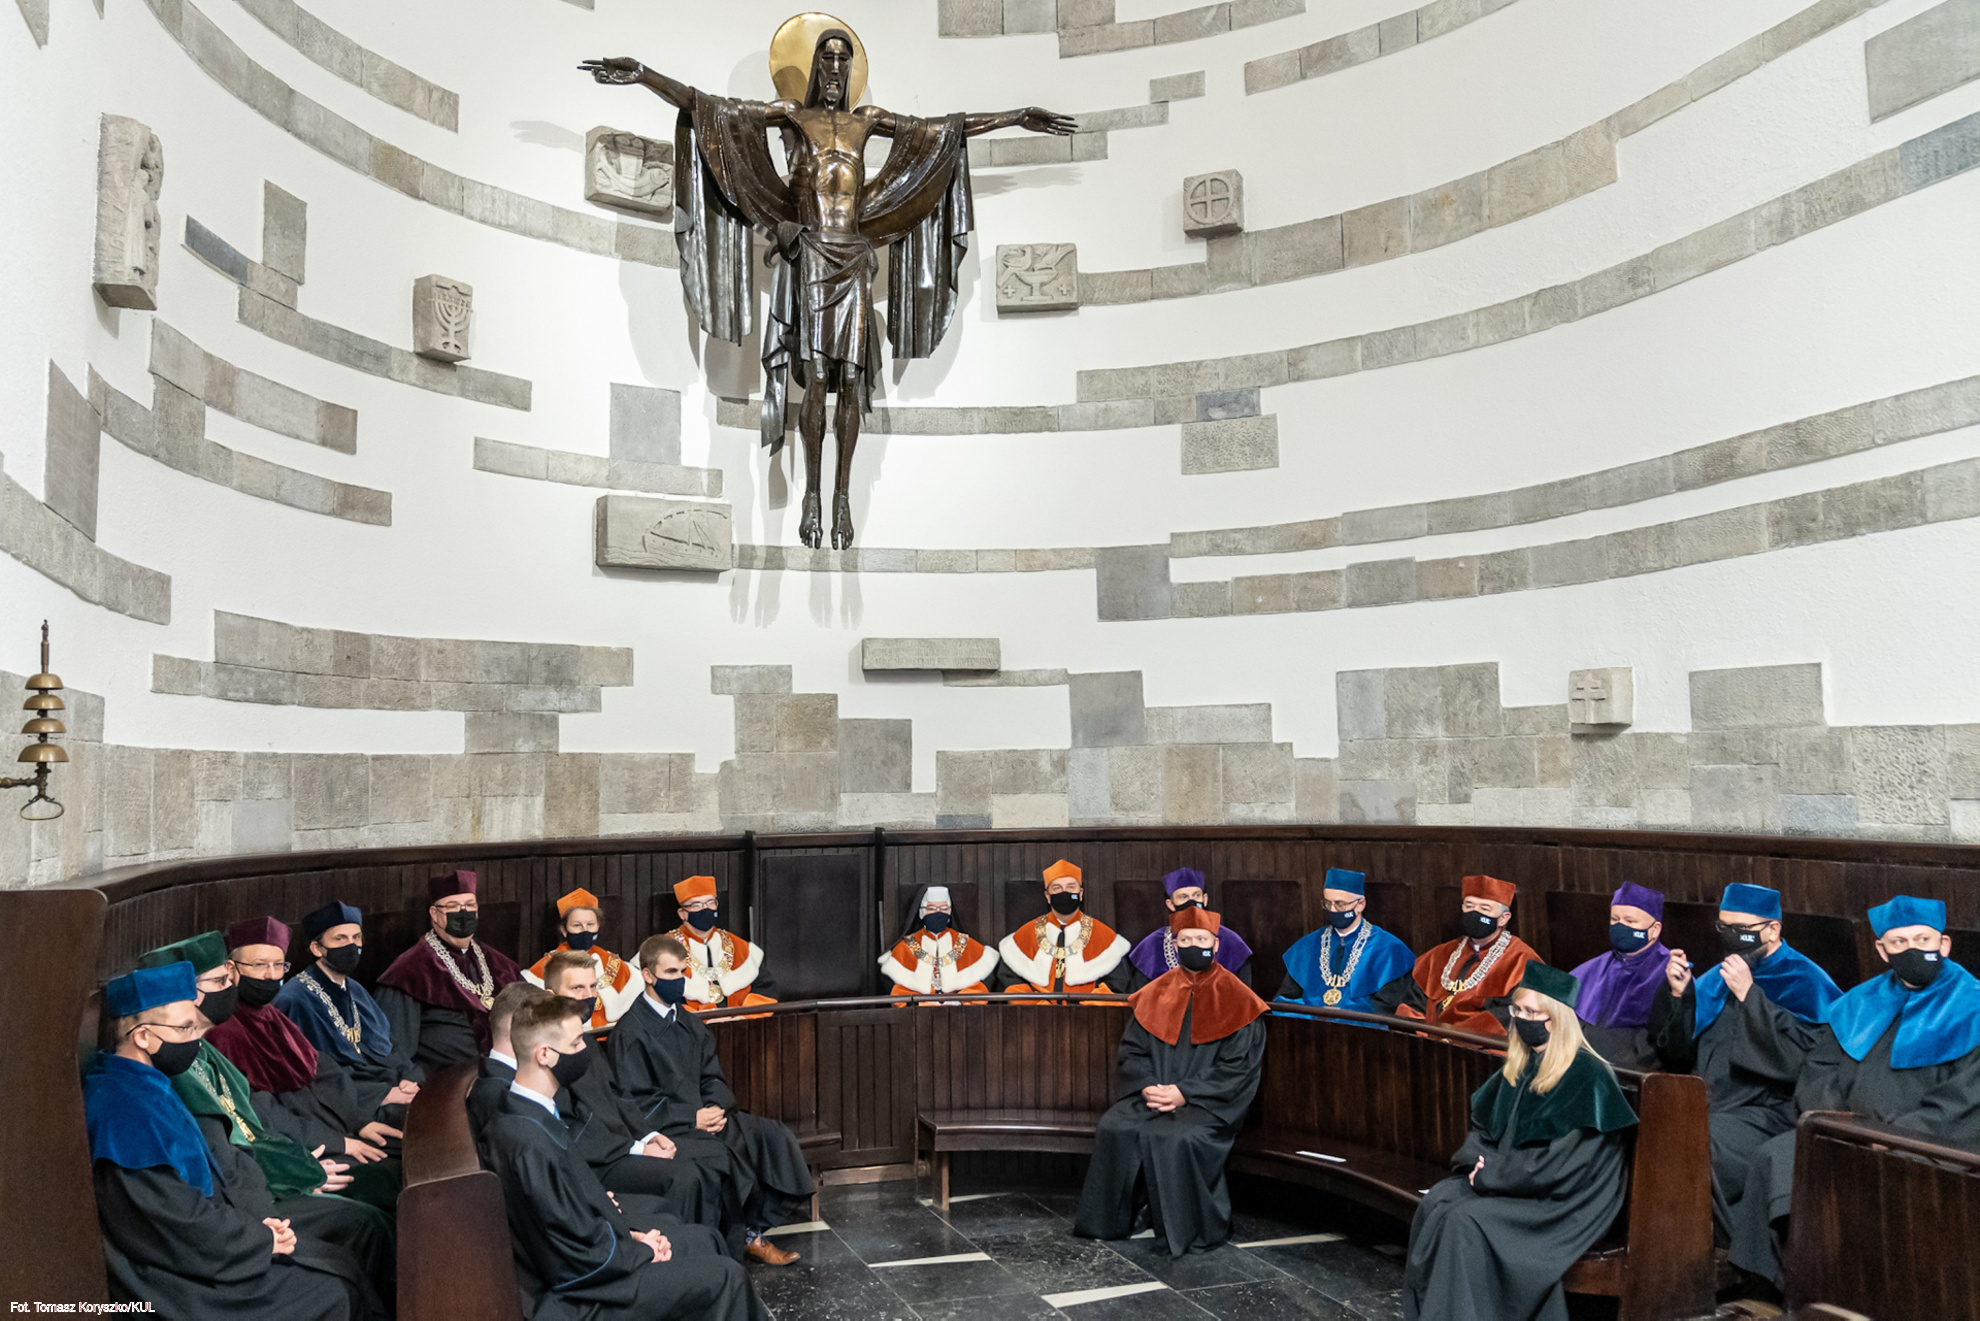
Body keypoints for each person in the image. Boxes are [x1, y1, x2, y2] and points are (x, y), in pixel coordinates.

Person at [85, 961, 366, 1321]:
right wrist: (258, 1239)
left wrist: (257, 1228)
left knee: (340, 1264)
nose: (196, 1038)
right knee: (333, 1292)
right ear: (142, 1036)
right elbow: (173, 1220)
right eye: (185, 1028)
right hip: (171, 1283)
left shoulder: (145, 1082)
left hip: (211, 1241)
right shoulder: (121, 1112)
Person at [1728, 895, 1980, 1289]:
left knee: (1855, 1181)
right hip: (1845, 1133)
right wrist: (1836, 1125)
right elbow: (1818, 1070)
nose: (1913, 949)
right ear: (1882, 949)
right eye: (1899, 942)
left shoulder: (1972, 1006)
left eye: (1923, 940)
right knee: (1775, 1157)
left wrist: (1887, 1139)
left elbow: (1963, 1102)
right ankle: (1784, 1290)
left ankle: (1849, 1291)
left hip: (1919, 1145)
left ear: (1943, 944)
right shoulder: (1860, 1002)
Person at [135, 935, 397, 1309]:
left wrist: (312, 1156)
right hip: (249, 1204)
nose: (231, 986)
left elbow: (258, 1116)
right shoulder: (177, 1062)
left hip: (275, 1168)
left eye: (228, 977)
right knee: (362, 1231)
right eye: (220, 980)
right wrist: (301, 1173)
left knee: (381, 1186)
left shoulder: (203, 1048)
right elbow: (222, 1158)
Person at [482, 994, 764, 1320]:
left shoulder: (531, 1113)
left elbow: (571, 1219)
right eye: (575, 1044)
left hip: (600, 1258)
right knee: (727, 1278)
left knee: (707, 1239)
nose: (584, 1051)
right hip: (585, 1293)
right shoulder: (528, 1140)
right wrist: (640, 1251)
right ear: (544, 1054)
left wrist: (631, 1235)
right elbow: (567, 1253)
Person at [1403, 963, 1637, 1321]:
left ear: (1557, 1019)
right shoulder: (1521, 1065)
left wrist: (1490, 1176)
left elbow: (1563, 1166)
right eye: (1518, 1010)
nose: (1522, 1019)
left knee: (1466, 1221)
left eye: (1532, 1012)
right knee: (1438, 1201)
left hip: (1564, 1203)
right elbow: (1482, 1131)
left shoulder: (1587, 1075)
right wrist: (1476, 1165)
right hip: (1517, 1183)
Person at [1648, 881, 1841, 1245]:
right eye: (1724, 927)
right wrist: (1680, 995)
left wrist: (1749, 996)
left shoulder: (1806, 981)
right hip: (1712, 1098)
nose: (1730, 936)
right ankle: (1666, 1246)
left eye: (1741, 929)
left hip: (1769, 1110)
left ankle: (1715, 1247)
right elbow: (1678, 1052)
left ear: (1772, 930)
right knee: (1653, 1130)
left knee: (1695, 1143)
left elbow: (1803, 1063)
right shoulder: (1719, 975)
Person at [607, 934, 815, 1266]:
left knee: (769, 1135)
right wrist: (691, 1118)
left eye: (682, 972)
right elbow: (634, 1100)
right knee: (724, 1157)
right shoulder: (630, 1032)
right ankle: (735, 1243)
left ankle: (753, 1230)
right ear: (648, 975)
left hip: (708, 1117)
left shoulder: (689, 1021)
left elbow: (711, 1075)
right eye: (670, 972)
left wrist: (715, 1106)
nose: (679, 980)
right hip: (670, 1127)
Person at [1073, 908, 1269, 1257]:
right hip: (1153, 1094)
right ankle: (1116, 1221)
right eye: (1185, 939)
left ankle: (1188, 1229)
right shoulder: (1154, 993)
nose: (1194, 945)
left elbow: (1237, 1069)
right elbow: (1132, 1052)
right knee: (1114, 1127)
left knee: (1172, 1136)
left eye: (1202, 939)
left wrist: (1184, 1093)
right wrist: (1147, 1085)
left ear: (1216, 944)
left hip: (1207, 1104)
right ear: (1175, 944)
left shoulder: (1240, 1000)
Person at [537, 950, 731, 1241]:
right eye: (577, 988)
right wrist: (635, 1148)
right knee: (685, 1176)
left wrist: (648, 1135)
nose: (588, 996)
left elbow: (617, 1097)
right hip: (595, 1163)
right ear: (551, 996)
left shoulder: (586, 1042)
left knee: (714, 1154)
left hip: (621, 1145)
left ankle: (717, 1246)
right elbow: (574, 1125)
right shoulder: (549, 1052)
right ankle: (679, 1250)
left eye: (593, 987)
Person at [213, 915, 418, 1153]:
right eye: (260, 965)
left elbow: (324, 1071)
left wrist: (359, 1121)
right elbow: (261, 1110)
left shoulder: (273, 1016)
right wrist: (340, 1143)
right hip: (296, 1141)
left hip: (334, 1123)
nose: (271, 975)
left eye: (278, 965)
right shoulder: (223, 1031)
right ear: (231, 969)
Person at [275, 900, 426, 1101]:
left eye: (356, 937)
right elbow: (313, 1076)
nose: (351, 945)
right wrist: (382, 1096)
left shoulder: (355, 989)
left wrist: (409, 1078)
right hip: (349, 1099)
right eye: (340, 938)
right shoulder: (294, 999)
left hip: (386, 1084)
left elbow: (389, 1045)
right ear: (317, 948)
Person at [375, 867, 522, 1069]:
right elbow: (396, 1047)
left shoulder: (501, 964)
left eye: (469, 905)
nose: (463, 912)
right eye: (452, 906)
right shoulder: (408, 971)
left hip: (508, 1066)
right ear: (434, 914)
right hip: (445, 1075)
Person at [1373, 874, 1536, 1036]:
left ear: (1503, 918)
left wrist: (1454, 1041)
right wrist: (1424, 1039)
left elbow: (1505, 1016)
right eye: (1469, 906)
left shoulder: (1521, 960)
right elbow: (1413, 1003)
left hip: (1477, 1045)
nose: (1474, 913)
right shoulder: (1440, 954)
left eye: (1484, 908)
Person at [1276, 867, 1416, 1013]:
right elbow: (1287, 998)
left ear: (1360, 905)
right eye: (1327, 903)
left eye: (1340, 904)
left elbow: (1385, 1008)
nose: (1332, 910)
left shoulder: (1389, 949)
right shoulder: (1306, 946)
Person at [1565, 883, 1671, 1069]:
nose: (1620, 926)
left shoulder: (1671, 972)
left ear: (1654, 930)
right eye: (1615, 919)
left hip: (1635, 1070)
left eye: (1630, 921)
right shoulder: (1589, 970)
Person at [995, 859, 1131, 995]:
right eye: (1057, 888)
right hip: (1037, 1007)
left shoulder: (1105, 937)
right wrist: (1036, 1004)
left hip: (1089, 1007)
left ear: (1081, 894)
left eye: (1071, 887)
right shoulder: (1025, 934)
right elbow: (1011, 982)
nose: (1064, 892)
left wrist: (1089, 1005)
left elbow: (1115, 985)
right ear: (1048, 896)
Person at [525, 887, 643, 1030]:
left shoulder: (611, 960)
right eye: (577, 925)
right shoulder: (547, 965)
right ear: (564, 930)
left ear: (598, 926)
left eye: (590, 925)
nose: (585, 930)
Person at [1126, 868, 1255, 989]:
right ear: (1170, 904)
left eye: (1196, 895)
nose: (1191, 902)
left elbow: (1243, 993)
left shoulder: (1231, 941)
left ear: (1205, 899)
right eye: (1183, 897)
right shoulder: (1152, 944)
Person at [666, 875, 778, 1011]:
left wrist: (743, 1016)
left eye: (710, 902)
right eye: (696, 905)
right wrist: (698, 1019)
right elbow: (661, 999)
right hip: (692, 1022)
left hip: (739, 1020)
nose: (705, 909)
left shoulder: (737, 945)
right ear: (682, 913)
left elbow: (765, 990)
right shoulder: (664, 948)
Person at [879, 885, 999, 996]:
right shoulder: (907, 945)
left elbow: (985, 981)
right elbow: (893, 985)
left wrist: (960, 1000)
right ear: (922, 912)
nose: (938, 912)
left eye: (944, 908)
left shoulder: (964, 942)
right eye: (932, 908)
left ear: (950, 912)